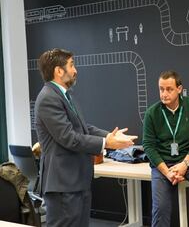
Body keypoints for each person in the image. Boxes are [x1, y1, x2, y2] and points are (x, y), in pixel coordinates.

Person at [34, 48, 137, 227]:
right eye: (71, 65)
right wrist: (107, 143)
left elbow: (84, 127)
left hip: (76, 182)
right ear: (59, 71)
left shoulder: (65, 96)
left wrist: (109, 136)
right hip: (63, 186)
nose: (75, 70)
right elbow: (69, 138)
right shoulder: (48, 98)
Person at [143, 70, 189, 227]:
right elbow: (148, 146)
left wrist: (185, 164)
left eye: (169, 89)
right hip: (163, 163)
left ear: (179, 89)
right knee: (160, 208)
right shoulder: (152, 113)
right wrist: (167, 172)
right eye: (161, 89)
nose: (164, 94)